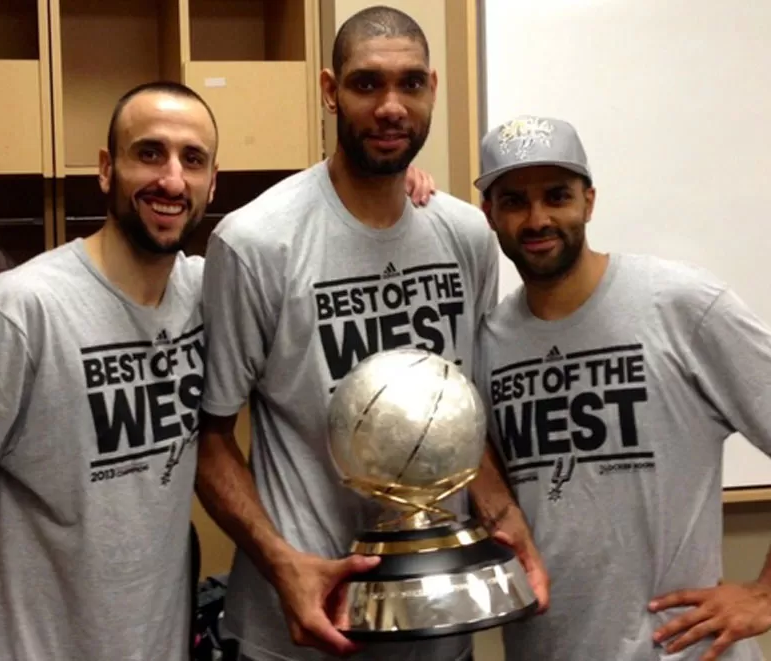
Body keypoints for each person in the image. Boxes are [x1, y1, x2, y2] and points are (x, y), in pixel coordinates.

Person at [0, 76, 435, 661]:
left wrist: (383, 184)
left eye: (192, 160)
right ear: (107, 169)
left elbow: (297, 245)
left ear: (212, 182)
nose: (171, 179)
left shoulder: (208, 292)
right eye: (149, 153)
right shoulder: (23, 311)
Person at [193, 7, 546, 661]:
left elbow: (464, 419)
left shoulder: (467, 235)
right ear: (330, 90)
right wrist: (281, 563)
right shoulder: (255, 243)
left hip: (438, 632)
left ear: (432, 89)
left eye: (410, 84)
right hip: (298, 635)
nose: (390, 106)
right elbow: (208, 441)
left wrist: (505, 517)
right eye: (366, 84)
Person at [471, 114, 771, 661]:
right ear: (489, 214)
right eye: (514, 201)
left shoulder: (678, 305)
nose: (538, 219)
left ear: (589, 200)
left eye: (556, 196)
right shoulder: (488, 343)